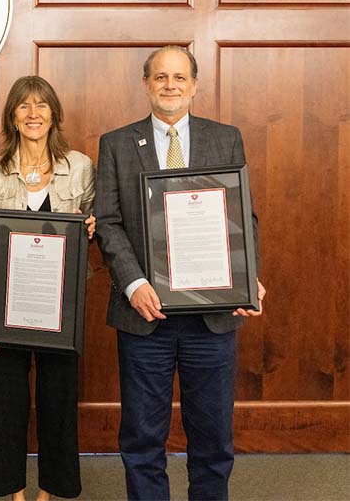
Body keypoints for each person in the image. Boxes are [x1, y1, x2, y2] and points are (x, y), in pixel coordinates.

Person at [94, 46, 267, 500]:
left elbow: (241, 216)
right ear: (146, 83)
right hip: (144, 316)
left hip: (212, 317)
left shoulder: (225, 137)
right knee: (142, 440)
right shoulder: (116, 143)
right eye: (160, 77)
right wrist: (134, 284)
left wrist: (246, 277)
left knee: (212, 439)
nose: (170, 85)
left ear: (194, 85)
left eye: (179, 77)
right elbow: (108, 222)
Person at [0, 76, 95, 500]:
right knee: (6, 403)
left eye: (42, 105)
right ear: (12, 117)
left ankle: (52, 490)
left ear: (54, 114)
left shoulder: (79, 166)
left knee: (58, 401)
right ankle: (12, 491)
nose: (33, 113)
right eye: (24, 106)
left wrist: (91, 227)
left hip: (61, 309)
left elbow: (96, 228)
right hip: (8, 307)